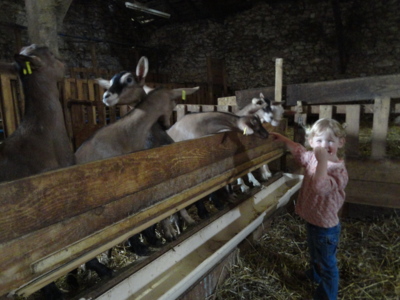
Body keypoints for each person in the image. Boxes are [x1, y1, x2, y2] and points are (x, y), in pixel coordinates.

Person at [271, 118, 348, 300]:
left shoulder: (338, 171)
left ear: (340, 143)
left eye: (330, 141)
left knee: (328, 264)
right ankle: (314, 275)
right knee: (314, 254)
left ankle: (328, 296)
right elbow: (300, 153)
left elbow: (319, 187)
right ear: (312, 142)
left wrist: (322, 162)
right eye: (319, 141)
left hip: (326, 228)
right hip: (313, 220)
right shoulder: (314, 157)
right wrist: (284, 139)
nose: (324, 145)